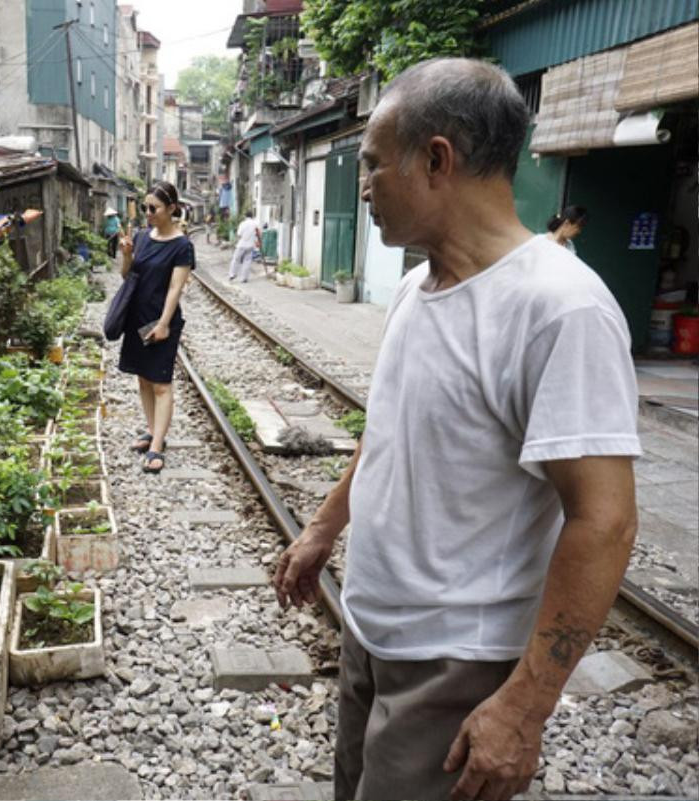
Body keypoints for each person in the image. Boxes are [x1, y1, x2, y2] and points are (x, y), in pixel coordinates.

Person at [272, 58, 640, 801]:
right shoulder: (417, 286)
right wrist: (322, 527)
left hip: (454, 660)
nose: (364, 185)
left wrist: (524, 706)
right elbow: (392, 431)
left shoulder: (561, 309)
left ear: (437, 160)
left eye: (373, 166)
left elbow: (604, 520)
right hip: (371, 629)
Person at [116, 180, 195, 474]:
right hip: (136, 319)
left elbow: (176, 289)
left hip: (161, 322)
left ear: (172, 209)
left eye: (154, 208)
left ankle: (157, 446)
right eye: (146, 207)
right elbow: (128, 277)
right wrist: (126, 255)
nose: (147, 212)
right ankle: (152, 431)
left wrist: (163, 324)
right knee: (143, 380)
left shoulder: (182, 246)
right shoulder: (141, 237)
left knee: (161, 384)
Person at [228, 209, 261, 282]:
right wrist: (258, 241)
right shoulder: (255, 224)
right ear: (252, 216)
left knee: (236, 259)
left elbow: (239, 234)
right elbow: (258, 233)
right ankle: (244, 278)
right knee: (247, 261)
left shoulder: (243, 223)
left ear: (245, 216)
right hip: (250, 245)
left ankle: (232, 274)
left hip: (242, 245)